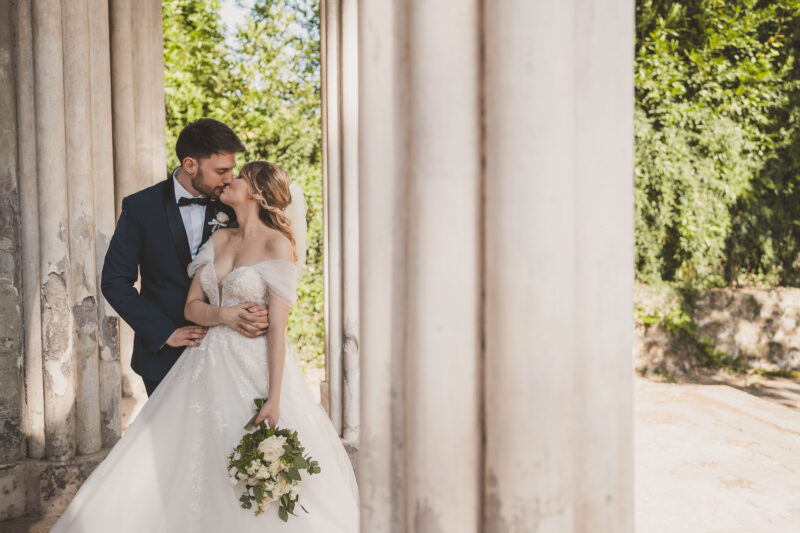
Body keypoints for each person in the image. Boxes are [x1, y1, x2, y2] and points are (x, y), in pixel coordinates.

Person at [51, 161, 359, 532]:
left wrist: (275, 398)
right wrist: (224, 316)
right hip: (203, 360)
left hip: (254, 365)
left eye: (239, 177)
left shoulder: (277, 245)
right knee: (191, 455)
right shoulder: (218, 239)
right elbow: (191, 307)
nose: (229, 180)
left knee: (244, 454)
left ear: (257, 192)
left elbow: (277, 330)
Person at [101, 118, 269, 397]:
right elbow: (114, 281)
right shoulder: (140, 207)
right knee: (169, 440)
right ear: (190, 164)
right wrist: (164, 332)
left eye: (231, 169)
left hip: (227, 351)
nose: (230, 178)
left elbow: (260, 262)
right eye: (221, 170)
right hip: (163, 356)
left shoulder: (235, 204)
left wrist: (261, 309)